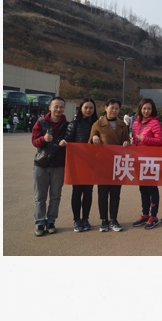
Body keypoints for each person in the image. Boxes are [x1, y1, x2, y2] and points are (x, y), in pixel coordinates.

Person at [89, 98, 130, 232]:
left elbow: (127, 139)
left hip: (117, 164)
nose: (114, 110)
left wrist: (127, 143)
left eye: (117, 108)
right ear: (106, 107)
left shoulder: (123, 125)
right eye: (112, 107)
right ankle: (104, 220)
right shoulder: (98, 124)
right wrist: (94, 138)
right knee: (102, 194)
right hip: (102, 163)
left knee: (115, 193)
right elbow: (90, 141)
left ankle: (113, 219)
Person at [31, 97, 69, 236]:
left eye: (61, 107)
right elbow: (34, 141)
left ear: (64, 108)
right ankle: (40, 222)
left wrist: (66, 143)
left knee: (55, 196)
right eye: (56, 106)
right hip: (41, 164)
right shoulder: (40, 122)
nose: (58, 109)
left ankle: (51, 221)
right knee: (40, 196)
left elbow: (71, 140)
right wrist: (43, 139)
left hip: (58, 165)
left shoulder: (67, 125)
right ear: (50, 108)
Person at [61, 98, 98, 232]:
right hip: (78, 163)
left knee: (88, 192)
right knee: (77, 192)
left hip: (92, 163)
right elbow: (68, 140)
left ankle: (85, 219)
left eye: (91, 108)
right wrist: (65, 142)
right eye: (86, 107)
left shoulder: (97, 124)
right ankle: (77, 220)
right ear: (81, 109)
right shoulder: (74, 124)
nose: (88, 110)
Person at [131, 98, 162, 230]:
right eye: (144, 108)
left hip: (151, 161)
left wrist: (144, 139)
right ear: (140, 109)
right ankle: (145, 214)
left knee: (152, 188)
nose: (146, 111)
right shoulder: (135, 123)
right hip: (139, 161)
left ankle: (153, 216)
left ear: (152, 110)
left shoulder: (155, 123)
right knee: (143, 189)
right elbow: (134, 141)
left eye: (149, 109)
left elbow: (159, 140)